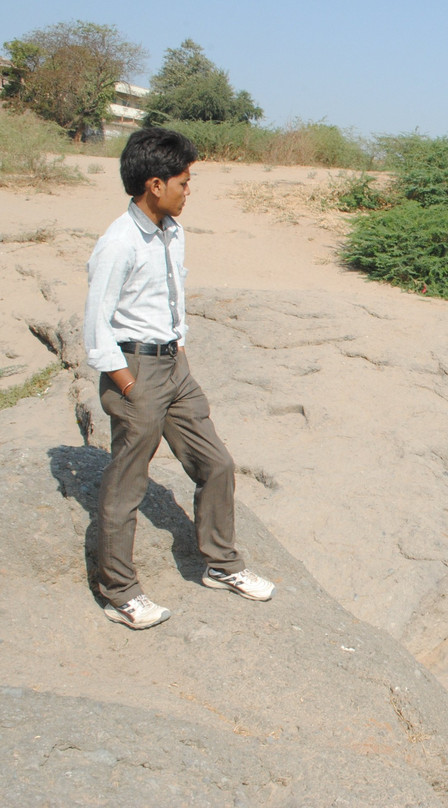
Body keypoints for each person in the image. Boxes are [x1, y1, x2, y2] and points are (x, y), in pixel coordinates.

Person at [84, 127, 275, 630]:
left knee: (216, 463)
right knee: (127, 486)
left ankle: (220, 563)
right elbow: (95, 325)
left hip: (174, 366)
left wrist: (181, 348)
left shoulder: (172, 231)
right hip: (136, 369)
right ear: (155, 184)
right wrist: (127, 384)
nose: (189, 191)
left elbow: (173, 298)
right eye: (184, 183)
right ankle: (120, 591)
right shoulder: (118, 243)